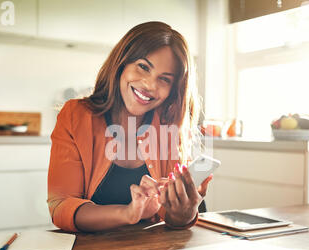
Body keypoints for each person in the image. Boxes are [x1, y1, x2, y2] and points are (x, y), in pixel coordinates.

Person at [47, 21, 213, 233]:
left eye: (164, 79)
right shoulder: (75, 116)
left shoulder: (168, 125)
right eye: (143, 67)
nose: (150, 85)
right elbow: (60, 206)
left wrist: (185, 213)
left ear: (173, 89)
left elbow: (171, 219)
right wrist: (128, 213)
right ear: (121, 63)